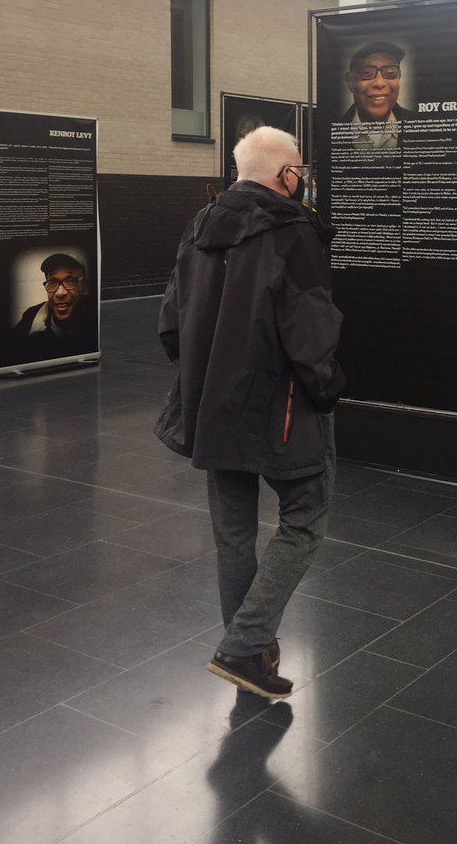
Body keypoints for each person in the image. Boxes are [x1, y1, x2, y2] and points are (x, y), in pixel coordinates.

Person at [156, 126, 344, 699]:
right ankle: (244, 645)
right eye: (299, 169)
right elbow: (309, 326)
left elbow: (169, 325)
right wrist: (328, 385)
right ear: (285, 175)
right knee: (306, 519)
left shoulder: (199, 226)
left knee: (233, 532)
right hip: (283, 406)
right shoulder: (292, 231)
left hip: (214, 405)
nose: (303, 178)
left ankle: (250, 652)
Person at [11, 252, 97, 361]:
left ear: (84, 285)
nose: (60, 293)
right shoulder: (31, 317)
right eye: (52, 282)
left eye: (71, 281)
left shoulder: (96, 314)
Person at [342, 43, 414, 148]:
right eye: (367, 73)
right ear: (350, 82)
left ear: (399, 76)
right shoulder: (330, 131)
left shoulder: (421, 129)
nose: (379, 83)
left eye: (390, 72)